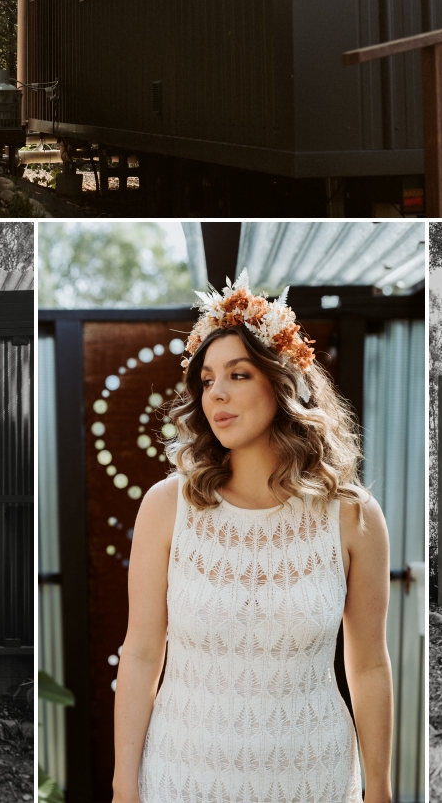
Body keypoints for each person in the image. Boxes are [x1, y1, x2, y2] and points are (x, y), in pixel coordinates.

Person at [113, 274, 394, 803]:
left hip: (313, 778)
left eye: (238, 375)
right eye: (207, 379)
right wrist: (122, 786)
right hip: (184, 777)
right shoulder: (166, 507)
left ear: (282, 384)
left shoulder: (353, 517)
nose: (215, 392)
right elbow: (142, 655)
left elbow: (369, 665)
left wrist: (379, 791)